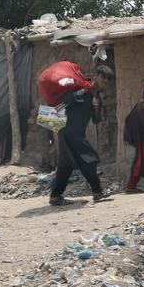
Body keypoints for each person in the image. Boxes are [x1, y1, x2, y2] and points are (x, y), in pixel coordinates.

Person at [49, 65, 114, 206]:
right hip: (66, 131)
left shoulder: (98, 98)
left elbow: (96, 121)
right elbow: (66, 99)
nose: (106, 82)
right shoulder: (81, 88)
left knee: (88, 161)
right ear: (96, 75)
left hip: (78, 135)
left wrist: (96, 109)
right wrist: (84, 91)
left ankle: (97, 192)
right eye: (104, 78)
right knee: (67, 164)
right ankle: (55, 196)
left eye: (108, 80)